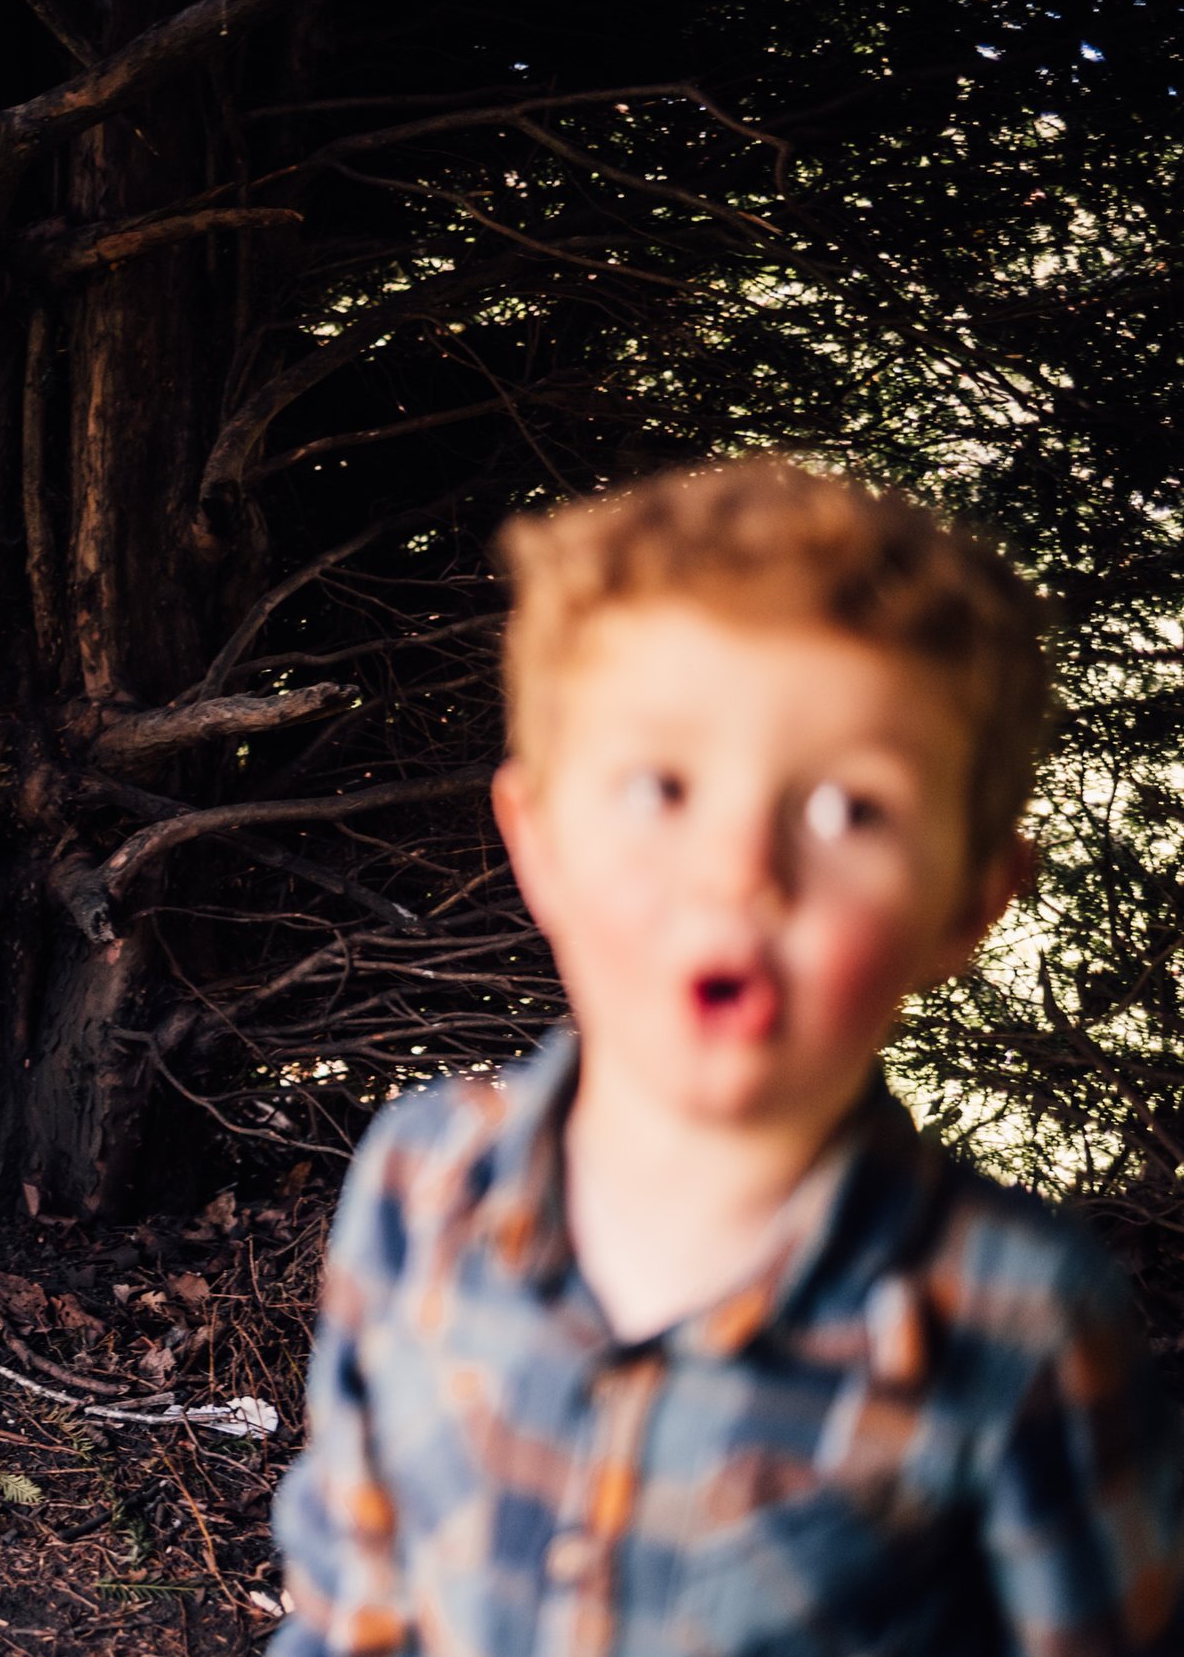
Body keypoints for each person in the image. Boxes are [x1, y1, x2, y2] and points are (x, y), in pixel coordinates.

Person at [270, 458, 1184, 1654]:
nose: (739, 869)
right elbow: (350, 1606)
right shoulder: (418, 1181)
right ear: (536, 843)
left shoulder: (1014, 1323)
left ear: (969, 902)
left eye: (848, 809)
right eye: (660, 785)